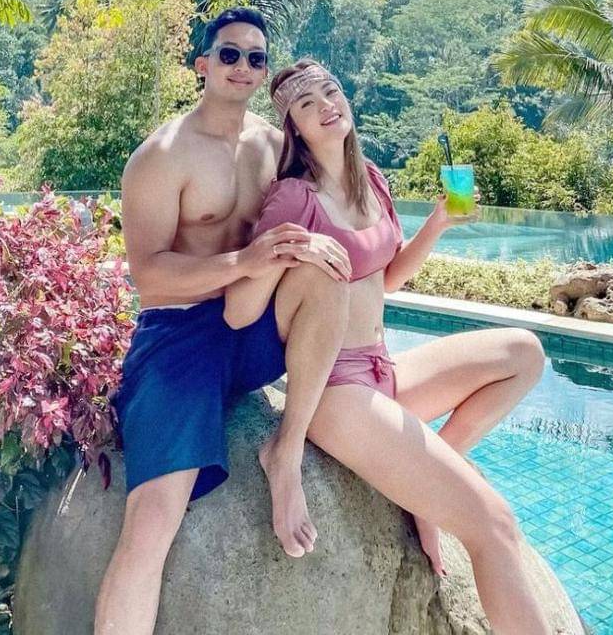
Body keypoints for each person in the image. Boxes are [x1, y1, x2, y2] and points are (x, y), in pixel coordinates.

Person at [224, 59, 552, 635]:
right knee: (494, 525)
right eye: (307, 104)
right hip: (335, 391)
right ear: (294, 127)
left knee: (524, 353)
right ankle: (293, 454)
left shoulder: (372, 180)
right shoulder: (293, 198)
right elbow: (241, 309)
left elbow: (388, 278)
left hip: (383, 369)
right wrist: (292, 251)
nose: (326, 106)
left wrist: (439, 223)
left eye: (331, 92)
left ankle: (427, 484)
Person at [94, 14, 353, 635]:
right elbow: (149, 276)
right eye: (230, 54)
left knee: (324, 272)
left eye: (256, 59)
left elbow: (337, 197)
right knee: (153, 519)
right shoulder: (162, 156)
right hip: (179, 336)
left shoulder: (274, 147)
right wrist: (246, 261)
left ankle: (285, 450)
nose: (243, 67)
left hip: (249, 322)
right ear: (203, 64)